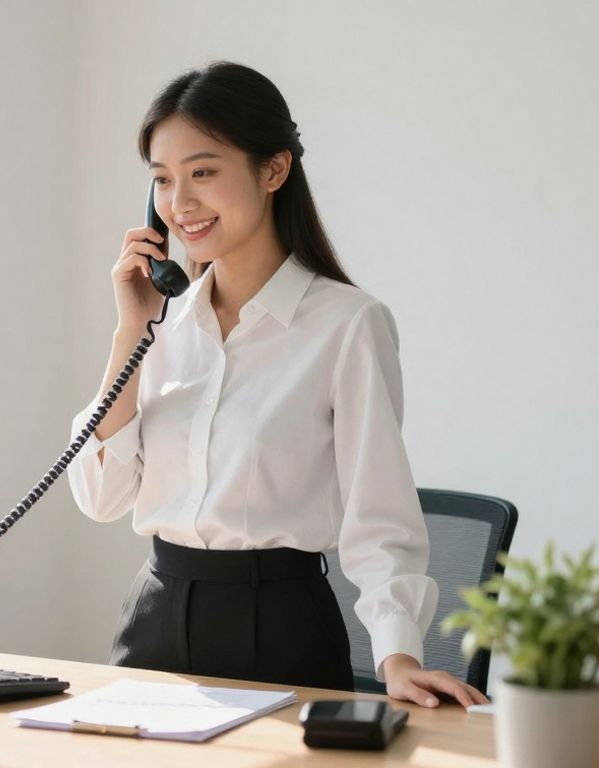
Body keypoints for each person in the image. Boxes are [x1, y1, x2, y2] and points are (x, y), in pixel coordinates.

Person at [68, 61, 489, 709]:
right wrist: (131, 331)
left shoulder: (347, 326)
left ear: (273, 170)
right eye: (162, 180)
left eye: (203, 172)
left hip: (279, 628)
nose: (179, 205)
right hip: (153, 619)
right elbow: (101, 496)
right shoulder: (163, 325)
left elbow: (381, 521)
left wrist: (398, 657)